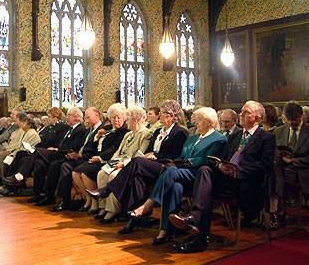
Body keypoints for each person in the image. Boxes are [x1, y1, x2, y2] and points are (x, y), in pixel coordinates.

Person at [169, 100, 275, 253]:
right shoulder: (236, 135)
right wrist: (220, 165)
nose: (241, 114)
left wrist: (238, 171)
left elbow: (265, 166)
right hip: (226, 178)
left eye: (246, 112)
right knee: (205, 170)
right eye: (241, 111)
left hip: (245, 182)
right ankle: (195, 222)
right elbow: (224, 157)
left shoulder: (266, 137)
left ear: (257, 118)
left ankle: (198, 233)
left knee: (204, 190)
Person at [127, 107, 227, 245]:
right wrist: (178, 162)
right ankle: (166, 230)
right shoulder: (192, 138)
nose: (195, 123)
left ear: (209, 122)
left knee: (171, 172)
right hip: (183, 173)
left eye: (198, 121)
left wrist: (184, 162)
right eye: (195, 120)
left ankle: (148, 205)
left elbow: (207, 160)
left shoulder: (219, 139)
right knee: (174, 187)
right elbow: (180, 156)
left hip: (200, 176)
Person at [87, 100, 189, 227]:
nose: (159, 116)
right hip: (151, 164)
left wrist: (154, 156)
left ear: (171, 116)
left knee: (136, 160)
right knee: (136, 179)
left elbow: (174, 155)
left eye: (162, 113)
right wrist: (149, 154)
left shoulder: (180, 132)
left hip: (166, 167)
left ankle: (107, 189)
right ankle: (134, 219)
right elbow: (149, 149)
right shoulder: (158, 132)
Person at [88, 106, 152, 223]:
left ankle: (113, 210)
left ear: (136, 120)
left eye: (128, 120)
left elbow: (140, 155)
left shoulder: (146, 134)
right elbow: (118, 151)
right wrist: (111, 163)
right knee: (102, 173)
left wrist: (122, 164)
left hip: (130, 164)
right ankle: (103, 207)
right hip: (118, 160)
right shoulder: (128, 134)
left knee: (114, 176)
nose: (126, 123)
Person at [68, 103, 129, 213]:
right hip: (100, 157)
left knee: (85, 173)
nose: (116, 120)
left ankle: (96, 203)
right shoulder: (109, 128)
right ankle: (89, 199)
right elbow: (98, 142)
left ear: (124, 118)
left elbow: (113, 149)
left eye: (119, 117)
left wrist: (100, 158)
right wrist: (98, 136)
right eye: (113, 118)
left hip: (108, 159)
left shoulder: (124, 131)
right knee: (75, 173)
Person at [273, 101, 309, 227]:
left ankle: (276, 211)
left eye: (294, 120)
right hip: (283, 168)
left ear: (301, 116)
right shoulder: (278, 131)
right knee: (274, 170)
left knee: (273, 175)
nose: (290, 123)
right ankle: (277, 210)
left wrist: (293, 161)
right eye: (288, 120)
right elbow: (274, 150)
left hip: (303, 170)